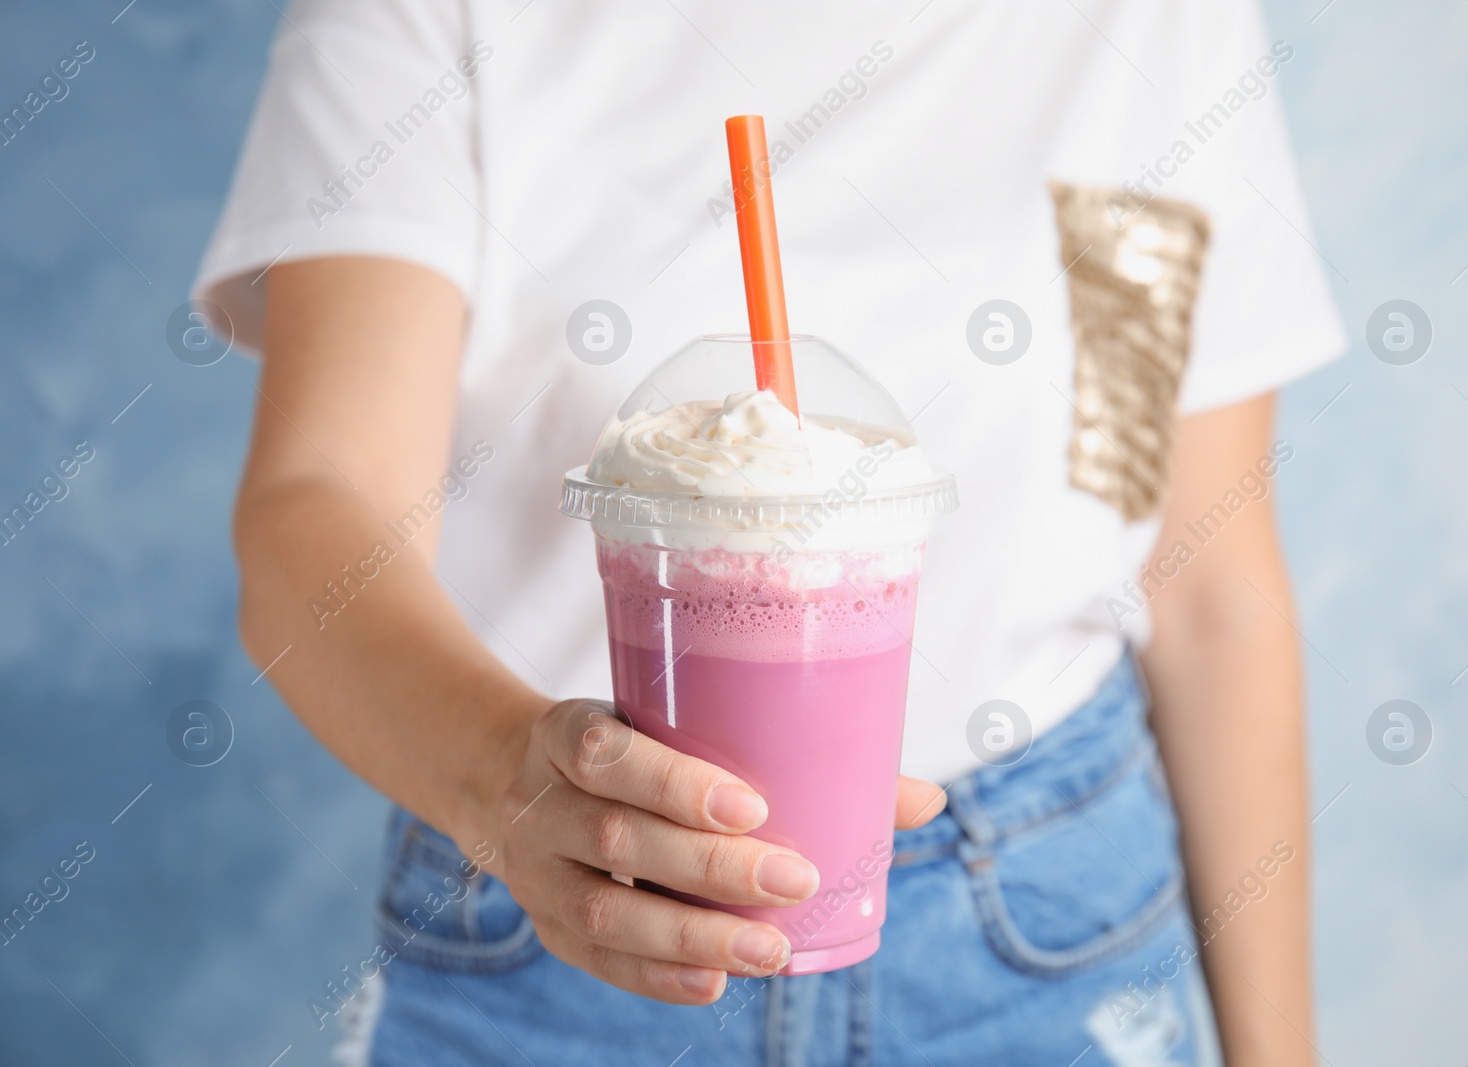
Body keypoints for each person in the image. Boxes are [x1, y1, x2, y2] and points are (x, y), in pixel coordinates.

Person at [196, 2, 1344, 1063]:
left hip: (1041, 919)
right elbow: (318, 499)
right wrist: (511, 779)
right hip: (553, 903)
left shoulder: (1151, 22)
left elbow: (1211, 594)